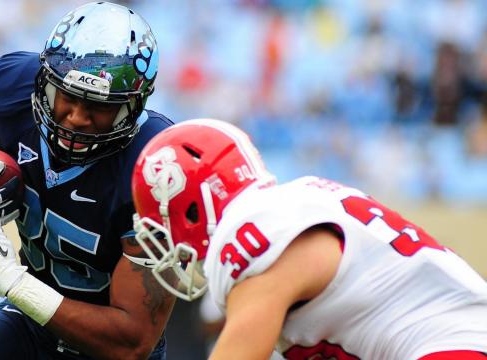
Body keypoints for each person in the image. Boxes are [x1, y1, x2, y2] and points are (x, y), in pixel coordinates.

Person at [0, 2, 176, 359]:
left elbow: (131, 342)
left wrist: (15, 283)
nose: (76, 117)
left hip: (103, 347)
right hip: (29, 324)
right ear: (44, 81)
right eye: (67, 97)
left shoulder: (158, 168)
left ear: (133, 105)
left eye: (99, 107)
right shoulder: (12, 95)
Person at [131, 119, 487, 359]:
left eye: (162, 224)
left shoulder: (251, 234)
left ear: (195, 206)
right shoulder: (297, 200)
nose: (166, 241)